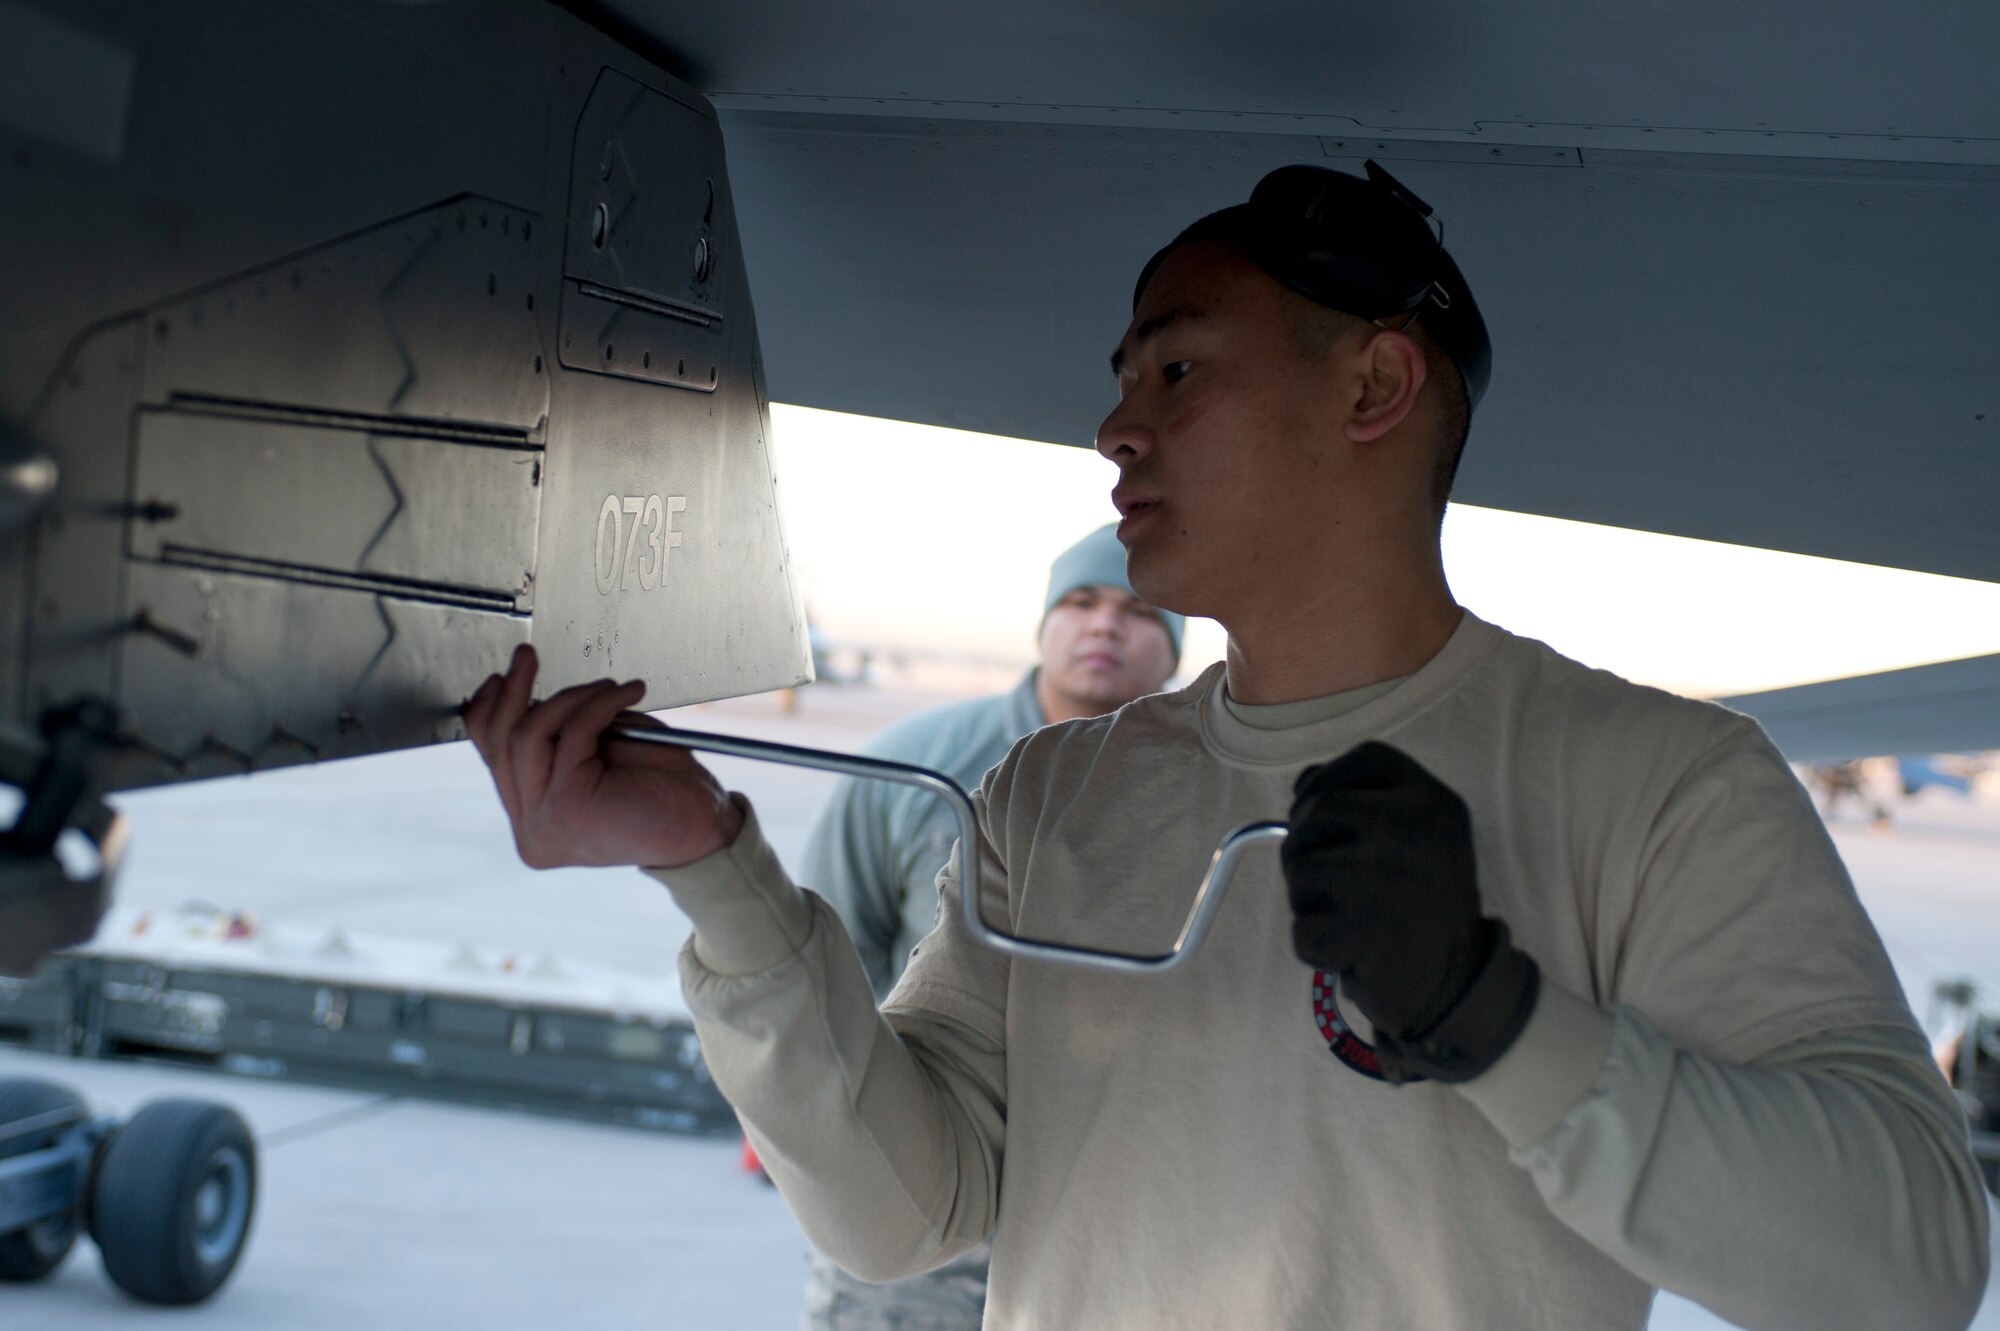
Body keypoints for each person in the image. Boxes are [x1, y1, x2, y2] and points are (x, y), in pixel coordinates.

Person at [463, 162, 1989, 1330]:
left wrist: (1490, 1014)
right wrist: (712, 871)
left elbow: (1910, 1262)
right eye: (1126, 379)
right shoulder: (1062, 787)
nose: (1115, 430)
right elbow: (901, 1205)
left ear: (1375, 384)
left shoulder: (1658, 787)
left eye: (1177, 369)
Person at [795, 524, 1181, 1328]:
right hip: (927, 1183)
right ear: (1044, 625)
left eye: (1141, 610)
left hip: (1120, 1209)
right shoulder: (918, 766)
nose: (1106, 624)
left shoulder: (1207, 796)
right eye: (1081, 602)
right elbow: (823, 958)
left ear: (1175, 644)